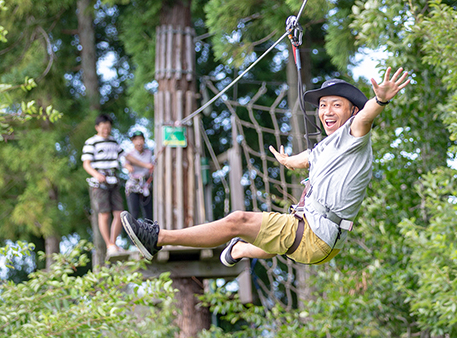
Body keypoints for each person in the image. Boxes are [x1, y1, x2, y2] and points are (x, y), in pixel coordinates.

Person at [120, 67, 410, 265]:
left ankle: (157, 238)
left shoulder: (355, 134)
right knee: (271, 233)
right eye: (322, 105)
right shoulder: (327, 147)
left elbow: (367, 116)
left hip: (315, 236)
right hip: (320, 241)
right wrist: (286, 160)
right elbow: (304, 159)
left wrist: (380, 99)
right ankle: (240, 251)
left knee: (239, 221)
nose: (327, 111)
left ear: (352, 110)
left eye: (336, 105)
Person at [82, 114, 153, 257]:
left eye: (108, 128)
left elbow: (126, 157)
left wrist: (145, 165)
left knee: (119, 213)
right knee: (104, 214)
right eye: (103, 128)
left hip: (113, 181)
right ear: (97, 127)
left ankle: (113, 242)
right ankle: (109, 244)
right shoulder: (91, 142)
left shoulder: (114, 142)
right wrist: (96, 175)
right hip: (99, 183)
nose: (106, 131)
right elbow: (86, 164)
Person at [124, 130, 154, 220]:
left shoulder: (149, 153)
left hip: (145, 184)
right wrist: (129, 167)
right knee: (134, 213)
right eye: (136, 139)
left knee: (148, 214)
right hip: (133, 184)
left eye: (141, 139)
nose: (139, 142)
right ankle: (132, 233)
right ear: (132, 141)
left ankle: (149, 233)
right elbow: (126, 164)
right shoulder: (130, 154)